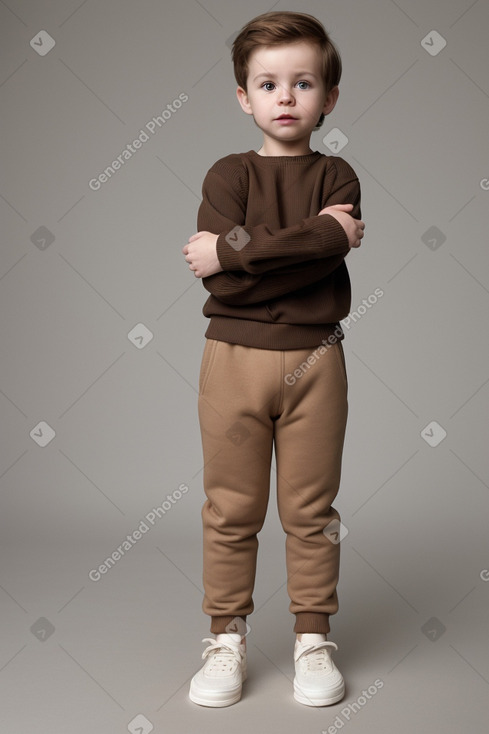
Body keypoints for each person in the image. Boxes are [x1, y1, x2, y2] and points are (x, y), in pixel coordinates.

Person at [183, 10, 365, 708]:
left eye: (303, 82)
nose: (285, 96)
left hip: (317, 362)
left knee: (311, 508)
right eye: (267, 83)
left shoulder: (336, 173)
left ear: (328, 97)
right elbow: (234, 281)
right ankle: (225, 637)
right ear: (243, 97)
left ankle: (311, 639)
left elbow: (227, 264)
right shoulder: (228, 174)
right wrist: (315, 242)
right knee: (230, 507)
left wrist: (232, 250)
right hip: (231, 360)